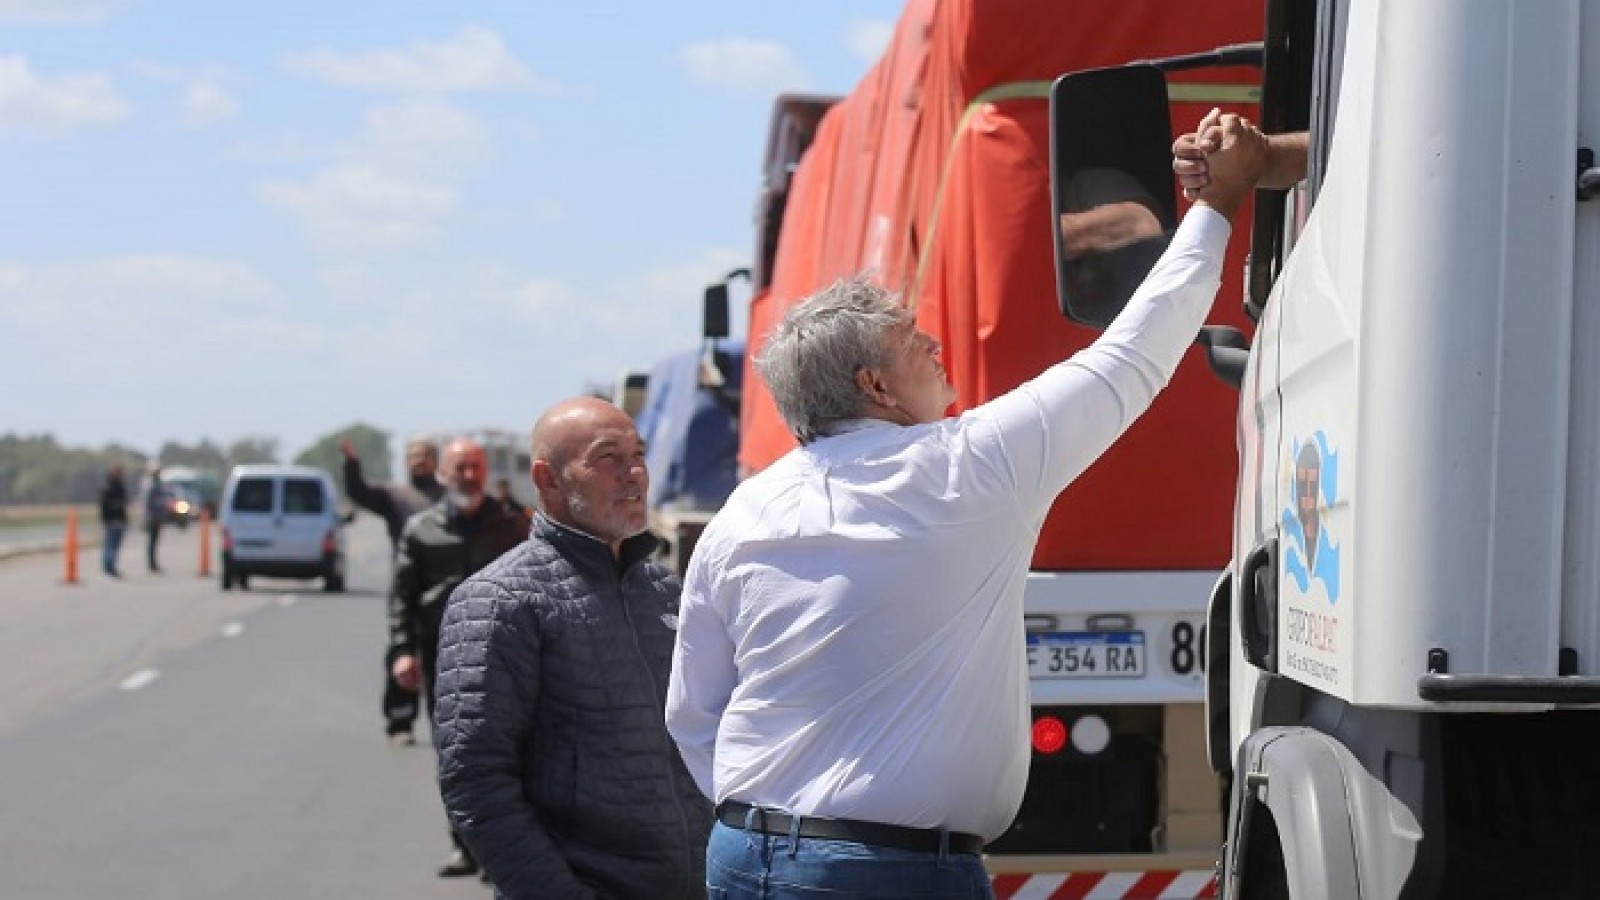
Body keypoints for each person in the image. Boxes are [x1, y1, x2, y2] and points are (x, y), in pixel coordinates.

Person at [663, 110, 1269, 898]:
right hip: (892, 872)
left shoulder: (745, 511)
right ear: (874, 388)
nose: (937, 349)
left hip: (744, 853)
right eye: (916, 342)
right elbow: (1136, 353)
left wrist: (776, 814)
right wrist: (1218, 207)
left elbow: (693, 710)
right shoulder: (966, 468)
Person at [434, 397, 712, 900]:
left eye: (639, 454)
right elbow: (476, 781)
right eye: (608, 458)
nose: (634, 475)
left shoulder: (665, 592)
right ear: (548, 480)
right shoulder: (499, 600)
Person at [389, 437, 527, 879]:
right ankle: (464, 845)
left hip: (505, 656)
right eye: (460, 468)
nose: (468, 476)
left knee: (509, 752)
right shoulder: (421, 530)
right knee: (456, 754)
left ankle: (497, 850)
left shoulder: (511, 527)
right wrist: (402, 652)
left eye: (476, 467)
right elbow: (402, 600)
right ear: (443, 475)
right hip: (443, 657)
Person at [340, 436, 443, 746]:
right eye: (412, 456)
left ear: (435, 461)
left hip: (445, 588)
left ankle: (446, 726)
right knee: (402, 653)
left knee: (444, 658)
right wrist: (352, 465)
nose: (417, 461)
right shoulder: (394, 495)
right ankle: (400, 721)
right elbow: (360, 492)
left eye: (423, 455)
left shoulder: (449, 497)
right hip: (405, 588)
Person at [99, 465, 129, 578]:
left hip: (119, 520)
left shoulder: (121, 488)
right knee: (110, 544)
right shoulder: (108, 488)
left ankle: (111, 566)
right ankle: (108, 566)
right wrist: (105, 520)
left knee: (115, 545)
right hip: (111, 520)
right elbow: (104, 507)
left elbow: (123, 506)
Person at [142, 468, 166, 573]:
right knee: (152, 541)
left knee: (154, 541)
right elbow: (150, 503)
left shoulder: (158, 486)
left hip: (157, 517)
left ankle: (153, 563)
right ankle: (152, 563)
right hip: (154, 517)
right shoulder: (153, 487)